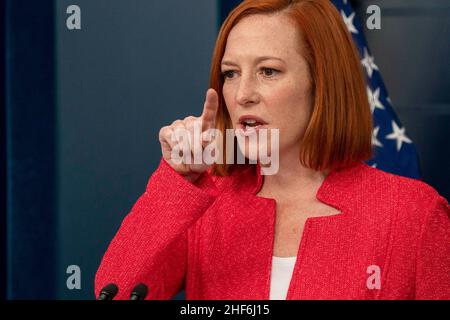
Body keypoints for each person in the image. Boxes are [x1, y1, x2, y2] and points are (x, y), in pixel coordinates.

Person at [95, 0, 450, 300]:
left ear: (321, 83)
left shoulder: (414, 213)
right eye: (230, 73)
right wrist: (178, 180)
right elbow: (116, 291)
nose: (243, 93)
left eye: (268, 71)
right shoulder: (204, 200)